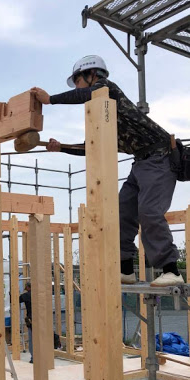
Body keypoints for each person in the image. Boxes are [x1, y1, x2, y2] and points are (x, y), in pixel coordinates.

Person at [31, 55, 184, 288]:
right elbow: (89, 147)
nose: (78, 88)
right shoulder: (107, 116)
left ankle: (171, 270)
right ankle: (125, 269)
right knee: (122, 211)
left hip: (160, 157)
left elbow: (86, 94)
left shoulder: (107, 89)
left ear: (91, 74)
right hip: (142, 162)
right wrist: (60, 147)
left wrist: (50, 100)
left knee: (150, 212)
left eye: (78, 81)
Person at [19, 282, 61, 364]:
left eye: (26, 288)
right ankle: (46, 356)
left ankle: (34, 358)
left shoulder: (26, 295)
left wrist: (11, 295)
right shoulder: (41, 294)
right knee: (43, 337)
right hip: (43, 318)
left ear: (28, 287)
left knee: (32, 339)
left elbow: (15, 301)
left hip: (32, 320)